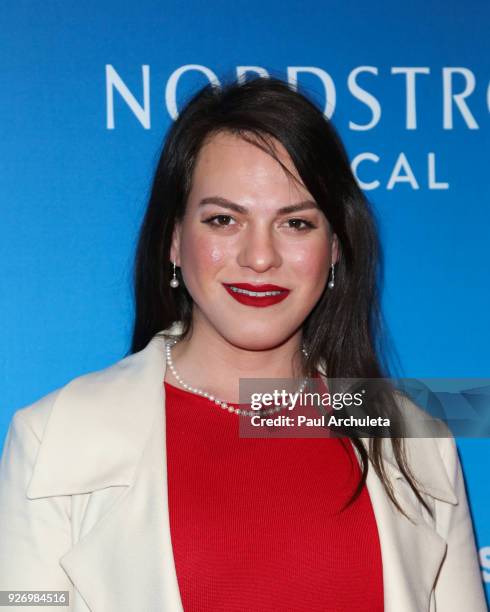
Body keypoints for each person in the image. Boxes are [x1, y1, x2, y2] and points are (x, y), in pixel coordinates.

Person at [0, 77, 486, 612]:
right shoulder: (56, 436)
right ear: (175, 240)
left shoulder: (416, 438)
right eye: (224, 220)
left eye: (296, 223)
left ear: (335, 251)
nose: (260, 257)